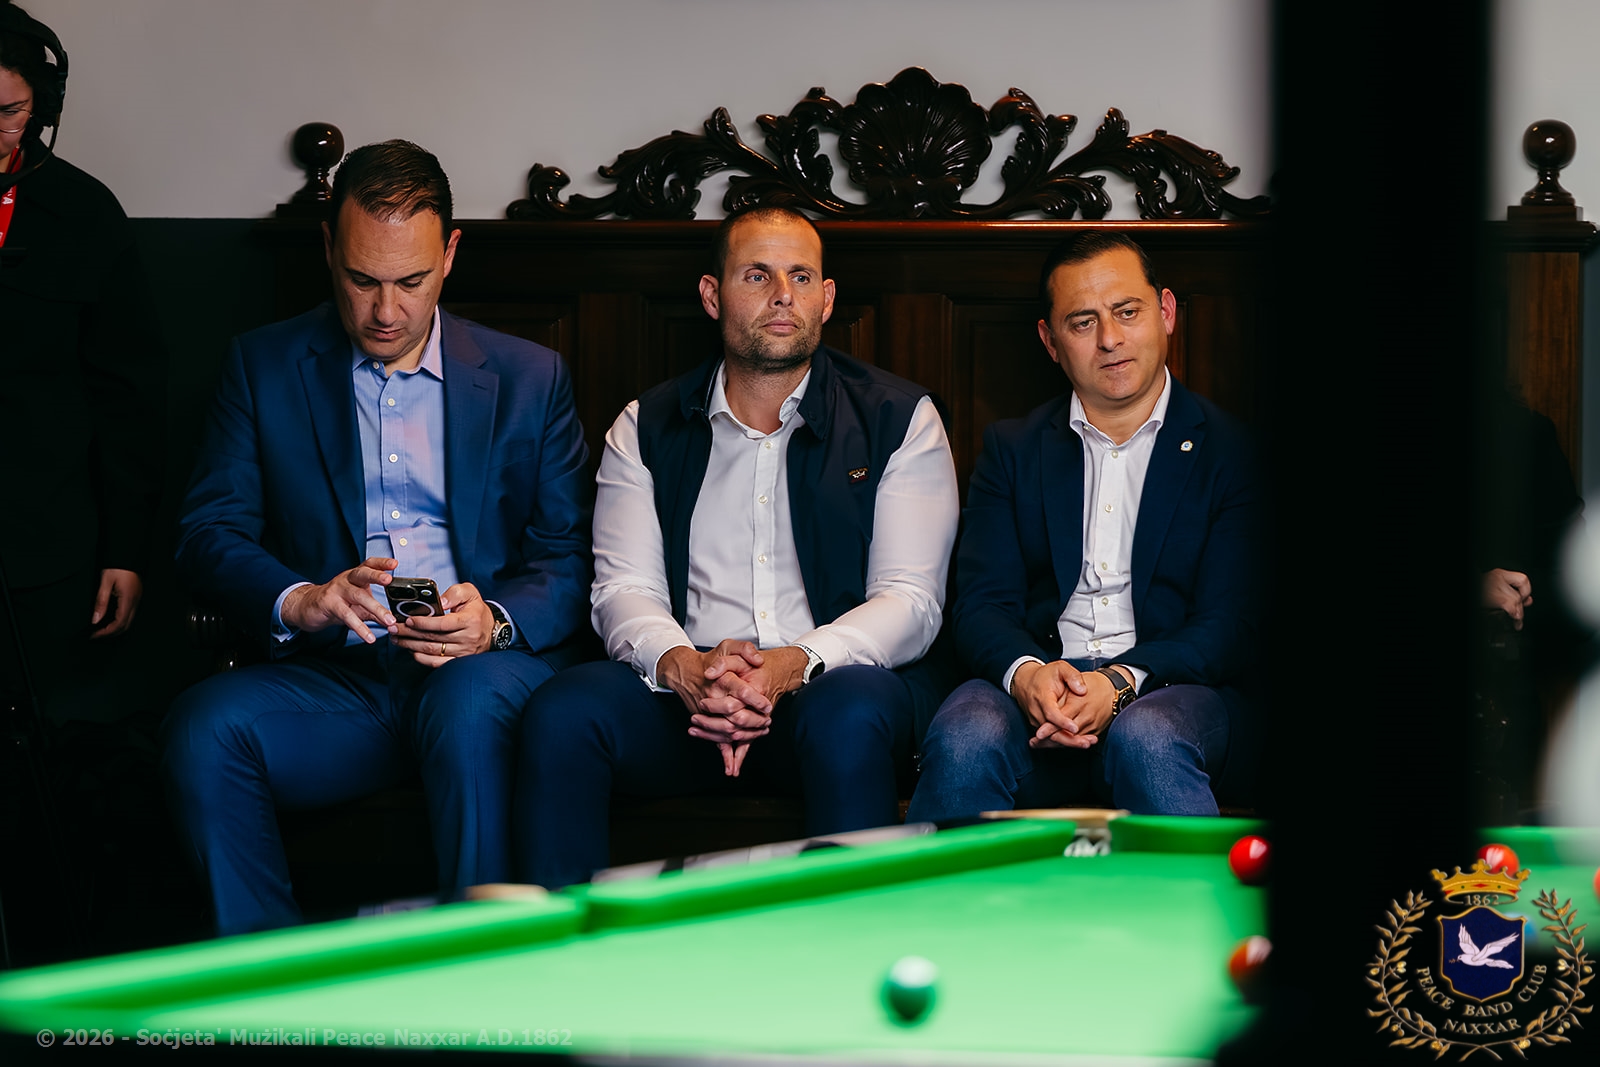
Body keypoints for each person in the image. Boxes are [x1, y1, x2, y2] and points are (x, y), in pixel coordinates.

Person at [161, 140, 592, 935]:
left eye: (411, 281)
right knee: (203, 728)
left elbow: (568, 557)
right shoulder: (261, 365)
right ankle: (272, 987)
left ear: (450, 255)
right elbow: (208, 531)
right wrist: (302, 598)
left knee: (466, 705)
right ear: (329, 248)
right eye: (363, 279)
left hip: (480, 676)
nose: (386, 311)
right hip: (340, 685)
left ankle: (477, 980)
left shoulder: (532, 378)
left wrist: (492, 622)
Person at [515, 205, 959, 889]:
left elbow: (912, 601)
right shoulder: (645, 424)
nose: (783, 295)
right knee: (563, 712)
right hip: (687, 702)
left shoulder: (899, 417)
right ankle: (567, 947)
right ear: (711, 294)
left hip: (828, 689)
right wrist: (685, 668)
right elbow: (623, 589)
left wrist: (792, 664)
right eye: (757, 275)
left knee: (851, 713)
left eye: (801, 277)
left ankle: (853, 941)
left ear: (826, 298)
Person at [906, 231, 1260, 820]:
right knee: (965, 737)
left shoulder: (1234, 452)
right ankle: (949, 890)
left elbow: (1230, 623)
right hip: (1041, 684)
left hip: (1175, 690)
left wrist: (1120, 682)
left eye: (1128, 312)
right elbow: (982, 605)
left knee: (1149, 738)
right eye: (1082, 321)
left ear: (1166, 312)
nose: (1110, 339)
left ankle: (1191, 889)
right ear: (1051, 341)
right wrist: (1028, 678)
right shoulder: (1013, 450)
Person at [0, 1, 163, 725]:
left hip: (45, 549)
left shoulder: (87, 214)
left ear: (41, 107)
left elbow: (130, 397)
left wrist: (126, 550)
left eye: (8, 113)